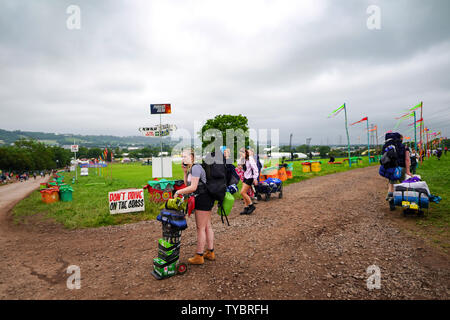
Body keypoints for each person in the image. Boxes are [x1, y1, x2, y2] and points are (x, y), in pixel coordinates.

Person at [174, 148, 215, 265]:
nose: (183, 159)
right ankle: (210, 252)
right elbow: (188, 184)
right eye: (182, 157)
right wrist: (184, 172)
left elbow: (193, 187)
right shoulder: (192, 168)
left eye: (185, 156)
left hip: (203, 199)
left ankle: (199, 255)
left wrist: (178, 192)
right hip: (205, 198)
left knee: (201, 228)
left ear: (192, 157)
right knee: (207, 226)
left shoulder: (196, 168)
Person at [386, 134, 412, 207]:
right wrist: (408, 171)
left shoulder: (391, 147)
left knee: (391, 185)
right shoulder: (405, 147)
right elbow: (407, 159)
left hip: (393, 168)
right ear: (401, 139)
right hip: (402, 168)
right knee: (403, 185)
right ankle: (404, 203)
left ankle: (391, 201)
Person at [238, 148, 259, 215]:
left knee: (242, 192)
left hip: (250, 178)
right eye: (240, 154)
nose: (242, 156)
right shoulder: (244, 159)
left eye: (242, 154)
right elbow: (239, 165)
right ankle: (246, 208)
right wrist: (241, 160)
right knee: (244, 193)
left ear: (246, 153)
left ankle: (251, 205)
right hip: (245, 177)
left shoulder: (250, 159)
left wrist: (255, 178)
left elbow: (255, 169)